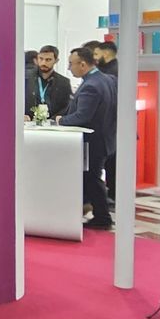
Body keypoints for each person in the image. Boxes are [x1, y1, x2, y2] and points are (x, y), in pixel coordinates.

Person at [57, 46, 118, 230]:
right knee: (92, 178)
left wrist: (61, 120)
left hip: (93, 142)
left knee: (92, 179)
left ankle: (102, 217)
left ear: (83, 64)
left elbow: (82, 116)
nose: (69, 68)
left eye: (71, 64)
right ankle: (95, 212)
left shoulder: (91, 85)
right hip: (106, 138)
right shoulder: (107, 79)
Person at [93, 40, 119, 199]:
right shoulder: (107, 71)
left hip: (110, 126)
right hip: (111, 126)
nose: (95, 58)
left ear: (106, 53)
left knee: (111, 164)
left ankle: (112, 196)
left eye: (97, 54)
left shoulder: (111, 74)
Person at [23, 45, 72, 120]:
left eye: (48, 60)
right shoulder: (25, 78)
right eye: (41, 59)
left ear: (56, 60)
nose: (43, 63)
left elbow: (66, 107)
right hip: (28, 122)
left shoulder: (64, 82)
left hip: (53, 123)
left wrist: (54, 119)